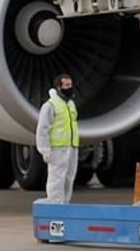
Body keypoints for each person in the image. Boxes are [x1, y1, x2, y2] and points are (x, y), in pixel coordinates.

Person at [35, 73, 80, 204]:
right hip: (57, 149)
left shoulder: (71, 104)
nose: (70, 88)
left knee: (69, 178)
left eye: (70, 85)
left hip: (71, 147)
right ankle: (55, 205)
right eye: (66, 85)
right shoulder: (50, 105)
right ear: (58, 87)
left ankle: (65, 204)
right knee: (57, 179)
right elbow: (43, 128)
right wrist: (44, 149)